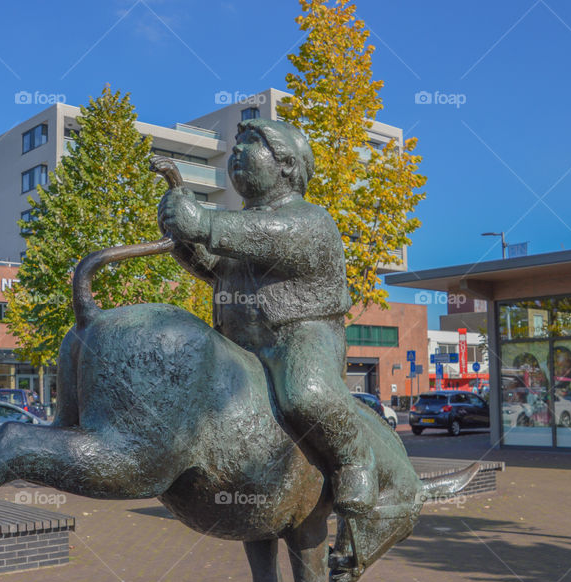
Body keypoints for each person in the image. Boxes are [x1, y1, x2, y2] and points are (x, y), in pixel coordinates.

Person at [158, 119, 412, 530]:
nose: (237, 152)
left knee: (307, 394)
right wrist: (182, 234)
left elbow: (271, 235)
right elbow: (216, 267)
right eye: (236, 144)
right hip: (243, 343)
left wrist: (202, 223)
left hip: (300, 335)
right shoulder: (244, 227)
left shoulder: (308, 220)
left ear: (287, 165)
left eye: (252, 144)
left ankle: (354, 460)